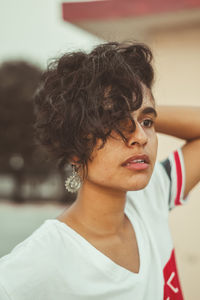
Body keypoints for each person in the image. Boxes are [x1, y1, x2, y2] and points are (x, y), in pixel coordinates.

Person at [0, 42, 199, 300]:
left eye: (147, 122)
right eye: (116, 122)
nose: (140, 137)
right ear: (73, 147)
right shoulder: (42, 259)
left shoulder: (150, 199)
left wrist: (137, 104)